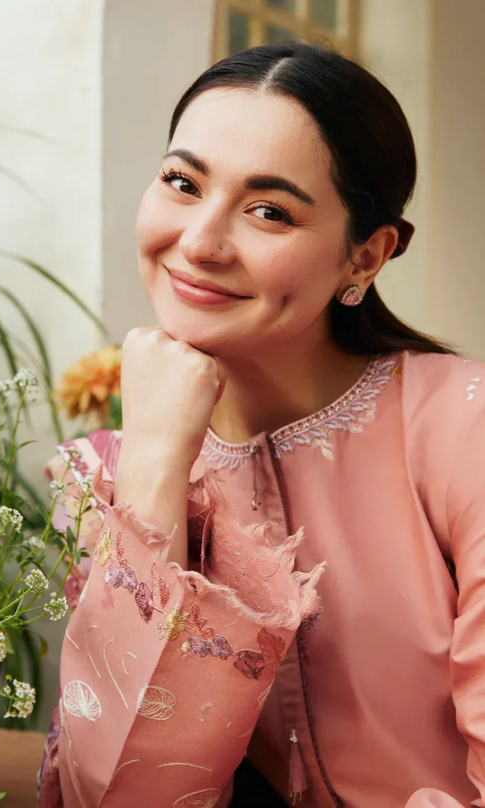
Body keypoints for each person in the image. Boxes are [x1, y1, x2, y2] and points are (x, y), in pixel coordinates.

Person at [37, 42, 485, 808]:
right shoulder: (117, 462)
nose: (201, 243)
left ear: (365, 257)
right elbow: (108, 790)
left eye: (268, 210)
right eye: (182, 183)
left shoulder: (459, 426)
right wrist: (152, 464)